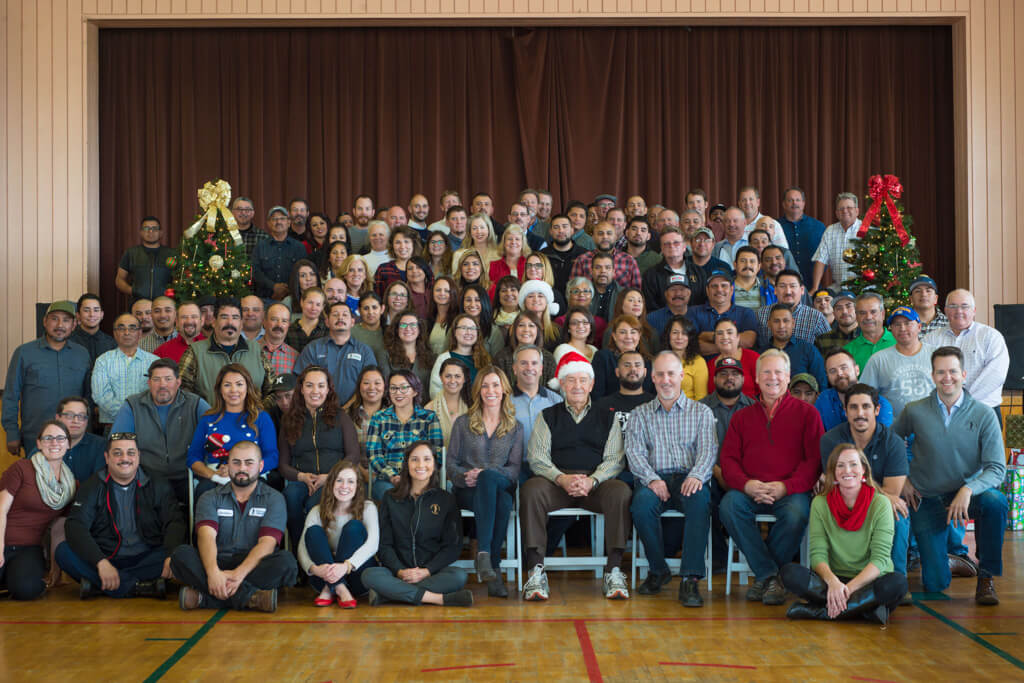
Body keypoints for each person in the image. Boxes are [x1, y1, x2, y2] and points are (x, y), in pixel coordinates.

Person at [894, 346, 1007, 604]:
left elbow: (996, 468)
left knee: (995, 502)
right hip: (927, 497)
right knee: (935, 584)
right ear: (932, 375)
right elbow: (890, 442)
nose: (948, 378)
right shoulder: (914, 410)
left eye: (953, 371)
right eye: (941, 372)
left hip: (966, 496)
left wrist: (968, 490)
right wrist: (904, 479)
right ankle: (947, 560)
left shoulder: (984, 414)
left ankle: (986, 577)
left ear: (964, 374)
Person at [521, 346, 633, 601]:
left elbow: (615, 459)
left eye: (583, 380)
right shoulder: (547, 415)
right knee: (531, 490)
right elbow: (537, 458)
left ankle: (613, 569)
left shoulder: (609, 417)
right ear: (561, 384)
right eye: (571, 380)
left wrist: (592, 480)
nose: (577, 386)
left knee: (620, 491)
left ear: (592, 384)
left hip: (596, 485)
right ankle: (536, 571)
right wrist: (561, 478)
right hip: (556, 483)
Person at [719, 349, 824, 605]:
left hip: (789, 491)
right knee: (729, 506)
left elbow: (814, 462)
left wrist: (785, 487)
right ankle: (771, 576)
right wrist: (746, 484)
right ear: (756, 377)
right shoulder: (741, 417)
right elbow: (728, 460)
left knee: (797, 513)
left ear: (787, 377)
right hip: (750, 489)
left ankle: (765, 578)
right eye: (766, 372)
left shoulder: (808, 414)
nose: (772, 377)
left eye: (778, 372)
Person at [626, 352, 717, 606]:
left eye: (671, 374)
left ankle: (690, 579)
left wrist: (697, 475)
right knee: (641, 505)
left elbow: (708, 450)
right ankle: (658, 570)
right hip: (655, 479)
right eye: (660, 374)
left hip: (690, 477)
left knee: (700, 502)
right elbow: (634, 452)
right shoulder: (640, 414)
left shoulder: (702, 412)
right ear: (652, 378)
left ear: (681, 377)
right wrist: (652, 479)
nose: (666, 380)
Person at [781, 444, 907, 624]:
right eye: (840, 465)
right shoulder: (820, 503)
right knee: (789, 573)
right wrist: (833, 583)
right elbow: (818, 555)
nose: (847, 470)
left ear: (863, 469)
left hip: (869, 581)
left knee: (897, 584)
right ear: (833, 472)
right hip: (834, 579)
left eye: (853, 464)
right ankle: (863, 611)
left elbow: (880, 560)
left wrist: (847, 589)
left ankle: (821, 612)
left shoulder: (881, 504)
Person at [171, 441, 297, 612]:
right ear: (227, 466)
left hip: (253, 565)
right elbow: (206, 537)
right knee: (180, 555)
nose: (242, 468)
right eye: (236, 462)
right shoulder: (209, 497)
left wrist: (238, 574)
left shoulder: (274, 498)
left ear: (260, 466)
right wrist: (213, 572)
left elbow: (267, 544)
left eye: (249, 463)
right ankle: (250, 598)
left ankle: (205, 599)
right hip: (216, 560)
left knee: (287, 563)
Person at [56, 433, 184, 599]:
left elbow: (174, 521)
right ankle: (140, 587)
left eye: (131, 453)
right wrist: (100, 562)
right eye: (117, 453)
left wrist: (170, 555)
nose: (125, 458)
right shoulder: (92, 485)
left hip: (147, 558)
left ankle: (101, 585)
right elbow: (75, 525)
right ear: (107, 457)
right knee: (63, 552)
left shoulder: (157, 483)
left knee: (183, 554)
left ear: (138, 456)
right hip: (106, 557)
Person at [361, 442, 472, 607]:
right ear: (407, 464)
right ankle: (437, 599)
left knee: (459, 576)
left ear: (434, 464)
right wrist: (399, 571)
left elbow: (452, 547)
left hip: (431, 573)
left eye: (427, 459)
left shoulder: (446, 499)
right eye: (414, 459)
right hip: (397, 573)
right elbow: (385, 545)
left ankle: (389, 594)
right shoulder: (390, 498)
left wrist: (426, 571)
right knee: (369, 575)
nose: (421, 465)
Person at [448, 367, 524, 598]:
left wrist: (485, 474)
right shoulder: (463, 423)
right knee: (502, 502)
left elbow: (514, 469)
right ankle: (495, 567)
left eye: (495, 385)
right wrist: (464, 476)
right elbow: (451, 463)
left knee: (491, 479)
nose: (490, 390)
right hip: (468, 491)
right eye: (485, 386)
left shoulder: (515, 427)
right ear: (478, 391)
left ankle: (483, 554)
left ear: (504, 390)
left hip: (499, 484)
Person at [819, 384, 910, 576]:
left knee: (898, 515)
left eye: (866, 407)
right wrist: (877, 492)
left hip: (880, 504)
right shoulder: (831, 440)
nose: (860, 413)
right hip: (843, 501)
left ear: (877, 410)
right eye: (853, 407)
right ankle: (840, 578)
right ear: (845, 411)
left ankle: (895, 579)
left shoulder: (892, 442)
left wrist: (860, 486)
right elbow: (835, 485)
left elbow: (892, 494)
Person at [278, 366, 360, 546]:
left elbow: (353, 455)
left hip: (332, 480)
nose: (315, 391)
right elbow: (282, 464)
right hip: (300, 480)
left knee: (314, 506)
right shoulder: (289, 419)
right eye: (309, 385)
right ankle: (301, 552)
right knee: (290, 497)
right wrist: (301, 476)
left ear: (328, 389)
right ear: (301, 389)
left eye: (321, 386)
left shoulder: (341, 417)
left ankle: (317, 553)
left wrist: (330, 476)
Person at [111, 358, 210, 505]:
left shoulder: (195, 404)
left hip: (187, 475)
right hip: (147, 478)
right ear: (149, 383)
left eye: (168, 379)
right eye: (156, 379)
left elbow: (216, 434)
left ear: (178, 382)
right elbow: (118, 442)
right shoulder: (133, 405)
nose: (162, 385)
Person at [0, 421, 77, 599]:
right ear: (39, 443)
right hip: (2, 539)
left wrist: (55, 569)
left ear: (68, 444)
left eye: (60, 438)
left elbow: (59, 527)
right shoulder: (22, 468)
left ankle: (9, 580)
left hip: (28, 548)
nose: (54, 443)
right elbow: (1, 509)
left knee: (28, 589)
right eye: (48, 438)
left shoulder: (71, 486)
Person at [4, 300, 91, 455]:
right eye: (54, 318)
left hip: (74, 436)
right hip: (36, 436)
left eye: (66, 320)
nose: (60, 325)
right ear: (44, 321)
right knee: (35, 478)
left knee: (74, 479)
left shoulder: (82, 354)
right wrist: (12, 433)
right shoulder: (24, 353)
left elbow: (88, 396)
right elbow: (11, 394)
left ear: (74, 325)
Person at [186, 364, 278, 498]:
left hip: (252, 476)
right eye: (227, 385)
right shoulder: (207, 419)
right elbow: (193, 457)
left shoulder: (261, 418)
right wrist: (213, 476)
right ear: (220, 390)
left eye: (239, 384)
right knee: (204, 491)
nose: (233, 390)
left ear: (248, 387)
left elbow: (272, 456)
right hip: (216, 476)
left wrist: (244, 471)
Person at [297, 460, 378, 608]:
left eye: (350, 481)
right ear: (331, 484)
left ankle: (331, 588)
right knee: (313, 531)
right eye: (339, 480)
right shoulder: (316, 511)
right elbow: (302, 547)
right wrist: (314, 569)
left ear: (358, 486)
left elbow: (373, 544)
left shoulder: (368, 508)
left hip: (356, 575)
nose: (344, 486)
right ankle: (339, 587)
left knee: (354, 527)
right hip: (323, 576)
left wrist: (346, 566)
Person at [701, 356, 756, 567]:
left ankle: (751, 555)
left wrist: (739, 477)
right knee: (705, 496)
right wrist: (716, 470)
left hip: (745, 476)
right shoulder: (701, 408)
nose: (729, 378)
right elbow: (695, 447)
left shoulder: (754, 407)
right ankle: (718, 557)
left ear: (743, 379)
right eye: (723, 374)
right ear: (714, 379)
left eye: (734, 374)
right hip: (711, 473)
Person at [923, 288, 1009, 418]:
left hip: (983, 411)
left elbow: (995, 375)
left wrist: (963, 402)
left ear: (973, 311)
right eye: (953, 306)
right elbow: (924, 372)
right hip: (942, 412)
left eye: (965, 306)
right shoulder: (931, 339)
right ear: (945, 311)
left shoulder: (990, 336)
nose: (959, 311)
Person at [178, 297, 276, 406]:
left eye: (235, 317)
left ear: (241, 323)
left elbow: (273, 390)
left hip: (252, 422)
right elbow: (181, 393)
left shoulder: (256, 350)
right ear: (214, 322)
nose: (230, 322)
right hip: (209, 421)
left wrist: (258, 414)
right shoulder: (195, 352)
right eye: (224, 317)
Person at [366, 370, 443, 500]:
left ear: (415, 391)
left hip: (422, 477)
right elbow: (374, 455)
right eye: (393, 388)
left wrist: (417, 478)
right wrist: (392, 476)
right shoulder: (379, 418)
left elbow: (438, 453)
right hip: (388, 481)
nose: (398, 393)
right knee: (391, 495)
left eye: (403, 388)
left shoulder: (429, 418)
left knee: (427, 495)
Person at [293, 301, 377, 405]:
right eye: (335, 315)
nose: (340, 318)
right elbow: (300, 381)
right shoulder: (313, 348)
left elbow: (371, 384)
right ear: (327, 322)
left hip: (354, 412)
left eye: (345, 315)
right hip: (318, 411)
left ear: (352, 322)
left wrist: (349, 406)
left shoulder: (364, 351)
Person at [860, 306, 937, 417]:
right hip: (893, 430)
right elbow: (864, 396)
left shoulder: (936, 354)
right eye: (897, 324)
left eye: (907, 323)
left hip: (931, 426)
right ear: (891, 329)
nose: (902, 328)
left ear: (919, 327)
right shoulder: (878, 360)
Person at [91, 313, 159, 426]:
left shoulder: (154, 362)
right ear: (114, 333)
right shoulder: (103, 361)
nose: (127, 332)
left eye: (132, 328)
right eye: (121, 328)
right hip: (112, 424)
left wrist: (139, 415)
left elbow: (157, 393)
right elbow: (100, 395)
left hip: (147, 424)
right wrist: (127, 415)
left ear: (140, 333)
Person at [816, 348, 894, 431]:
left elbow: (880, 441)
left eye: (844, 367)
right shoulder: (823, 399)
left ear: (857, 370)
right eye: (832, 371)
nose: (839, 374)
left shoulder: (880, 404)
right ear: (827, 376)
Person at [689, 269, 759, 356]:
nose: (719, 289)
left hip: (736, 368)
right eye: (714, 286)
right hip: (704, 368)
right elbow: (691, 346)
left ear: (732, 289)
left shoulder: (746, 313)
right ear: (707, 290)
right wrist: (729, 344)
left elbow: (748, 341)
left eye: (724, 285)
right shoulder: (693, 312)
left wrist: (711, 337)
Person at [760, 304, 827, 391]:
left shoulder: (808, 350)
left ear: (793, 323)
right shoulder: (761, 354)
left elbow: (821, 384)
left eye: (786, 321)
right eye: (776, 321)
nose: (781, 326)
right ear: (769, 324)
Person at [755, 270, 829, 348]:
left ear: (802, 290)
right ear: (775, 290)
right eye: (782, 286)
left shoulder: (816, 317)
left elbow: (830, 347)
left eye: (793, 286)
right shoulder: (761, 314)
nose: (788, 292)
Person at [642, 227, 707, 311]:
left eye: (676, 243)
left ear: (684, 247)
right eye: (666, 244)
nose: (671, 246)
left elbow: (704, 303)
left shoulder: (699, 272)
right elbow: (650, 306)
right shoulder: (650, 275)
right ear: (661, 248)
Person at [428, 313, 491, 398]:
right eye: (464, 328)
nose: (468, 332)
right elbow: (435, 392)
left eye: (472, 328)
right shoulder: (444, 359)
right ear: (454, 332)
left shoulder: (485, 358)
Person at [251, 206, 307, 300]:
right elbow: (255, 271)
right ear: (268, 223)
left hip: (293, 298)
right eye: (274, 219)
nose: (278, 222)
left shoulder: (299, 247)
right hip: (265, 298)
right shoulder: (260, 247)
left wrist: (285, 290)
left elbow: (303, 271)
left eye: (282, 219)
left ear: (289, 223)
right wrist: (273, 287)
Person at [592, 314, 654, 399]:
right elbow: (596, 395)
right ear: (614, 336)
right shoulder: (603, 357)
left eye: (633, 332)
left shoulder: (648, 361)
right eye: (622, 332)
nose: (628, 337)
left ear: (639, 336)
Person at [115, 216, 175, 301]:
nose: (151, 231)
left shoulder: (171, 254)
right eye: (146, 228)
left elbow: (180, 279)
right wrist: (132, 291)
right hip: (138, 303)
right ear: (141, 232)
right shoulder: (131, 253)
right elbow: (119, 279)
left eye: (155, 228)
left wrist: (171, 293)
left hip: (164, 304)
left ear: (161, 232)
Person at [811, 192, 862, 291]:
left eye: (849, 208)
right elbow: (820, 260)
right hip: (839, 288)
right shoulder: (830, 231)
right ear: (836, 213)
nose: (845, 211)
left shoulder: (866, 230)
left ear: (857, 211)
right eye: (841, 209)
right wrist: (815, 288)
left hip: (863, 288)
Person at [570, 220, 641, 290]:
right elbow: (574, 290)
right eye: (600, 233)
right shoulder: (582, 260)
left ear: (616, 237)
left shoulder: (629, 261)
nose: (605, 237)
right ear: (593, 237)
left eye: (609, 233)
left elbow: (637, 292)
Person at [48, 396, 105, 482]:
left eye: (81, 416)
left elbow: (99, 486)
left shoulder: (101, 446)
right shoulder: (45, 445)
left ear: (87, 420)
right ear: (58, 418)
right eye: (70, 415)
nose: (76, 421)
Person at [777, 186, 826, 286]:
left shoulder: (818, 227)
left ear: (803, 203)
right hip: (784, 285)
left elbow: (825, 256)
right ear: (784, 204)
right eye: (790, 200)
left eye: (798, 200)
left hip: (813, 285)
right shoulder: (776, 226)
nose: (794, 203)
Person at [704, 318, 760, 398]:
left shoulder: (754, 358)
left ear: (738, 337)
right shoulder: (709, 365)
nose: (725, 337)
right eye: (720, 333)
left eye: (729, 332)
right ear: (715, 339)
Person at [424, 357, 471, 449]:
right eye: (448, 376)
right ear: (441, 377)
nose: (452, 381)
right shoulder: (429, 409)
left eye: (457, 376)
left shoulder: (473, 406)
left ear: (464, 379)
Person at [343, 366, 386, 461]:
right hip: (355, 472)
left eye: (377, 383)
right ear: (359, 386)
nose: (372, 387)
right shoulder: (347, 415)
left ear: (384, 386)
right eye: (366, 383)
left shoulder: (394, 414)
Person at [843, 292, 896, 371]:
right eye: (862, 313)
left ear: (883, 314)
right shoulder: (847, 352)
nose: (868, 317)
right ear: (856, 317)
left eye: (873, 312)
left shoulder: (899, 342)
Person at [660, 316, 707, 400]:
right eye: (675, 332)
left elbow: (701, 398)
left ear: (690, 337)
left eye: (684, 333)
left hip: (690, 410)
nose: (679, 337)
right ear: (668, 335)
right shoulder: (660, 360)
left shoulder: (698, 361)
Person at [542, 213, 589, 294]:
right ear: (550, 231)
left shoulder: (584, 255)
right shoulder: (542, 255)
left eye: (565, 226)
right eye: (556, 227)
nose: (561, 231)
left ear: (572, 230)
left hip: (576, 301)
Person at [69, 292, 116, 364]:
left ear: (102, 315)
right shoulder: (69, 342)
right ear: (78, 315)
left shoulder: (111, 343)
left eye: (96, 310)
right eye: (86, 310)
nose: (92, 314)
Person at [373, 225, 420, 295]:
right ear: (392, 246)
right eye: (398, 242)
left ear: (413, 244)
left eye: (406, 241)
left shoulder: (422, 269)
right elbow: (376, 299)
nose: (402, 246)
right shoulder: (383, 269)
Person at [814, 290, 859, 356]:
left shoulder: (868, 335)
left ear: (857, 309)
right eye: (839, 308)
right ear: (834, 313)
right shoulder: (822, 340)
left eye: (848, 306)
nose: (844, 311)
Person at [260, 303, 299, 377]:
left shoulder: (296, 357)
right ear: (264, 322)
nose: (279, 325)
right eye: (274, 319)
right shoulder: (249, 351)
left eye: (284, 321)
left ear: (289, 325)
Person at [284, 287, 328, 353]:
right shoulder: (288, 330)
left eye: (318, 304)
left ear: (322, 307)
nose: (313, 308)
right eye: (310, 302)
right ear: (302, 302)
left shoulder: (328, 331)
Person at [351, 293, 387, 362]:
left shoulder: (389, 331)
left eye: (374, 307)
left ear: (382, 309)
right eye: (366, 308)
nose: (370, 312)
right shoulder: (352, 333)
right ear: (359, 310)